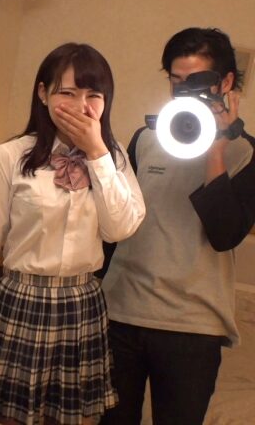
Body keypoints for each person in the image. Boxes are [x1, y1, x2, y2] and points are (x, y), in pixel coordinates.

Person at [0, 42, 146, 425]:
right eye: (67, 93)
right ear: (43, 93)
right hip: (21, 299)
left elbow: (120, 229)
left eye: (93, 95)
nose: (81, 106)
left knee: (67, 416)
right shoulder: (8, 157)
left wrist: (97, 154)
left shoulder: (114, 157)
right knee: (7, 414)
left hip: (81, 304)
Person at [100, 27, 255, 425]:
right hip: (121, 313)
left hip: (193, 326)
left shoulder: (245, 153)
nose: (185, 92)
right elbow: (117, 224)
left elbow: (225, 234)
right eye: (177, 81)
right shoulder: (145, 139)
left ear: (226, 83)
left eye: (197, 82)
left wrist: (216, 149)